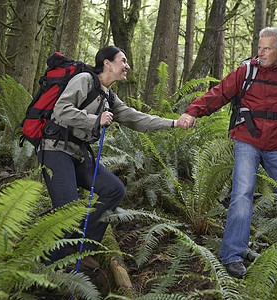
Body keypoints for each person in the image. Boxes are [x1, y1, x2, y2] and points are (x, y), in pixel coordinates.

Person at [178, 27, 277, 282]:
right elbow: (217, 94)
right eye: (259, 47)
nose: (260, 53)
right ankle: (232, 257)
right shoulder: (246, 72)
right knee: (242, 194)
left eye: (266, 48)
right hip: (247, 142)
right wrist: (192, 111)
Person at [39, 46, 186, 266]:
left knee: (114, 190)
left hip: (78, 154)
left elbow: (136, 118)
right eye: (123, 61)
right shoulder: (84, 80)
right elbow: (61, 110)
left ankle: (83, 244)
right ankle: (46, 272)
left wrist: (173, 123)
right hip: (55, 149)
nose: (127, 66)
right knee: (67, 213)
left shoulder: (108, 96)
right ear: (107, 63)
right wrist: (94, 120)